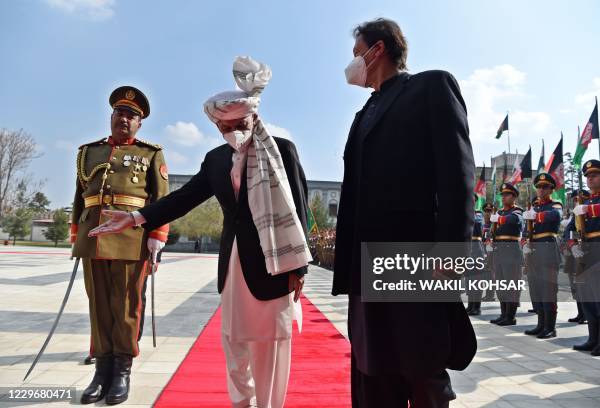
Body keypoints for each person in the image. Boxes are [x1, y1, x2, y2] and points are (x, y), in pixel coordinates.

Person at [89, 56, 311, 407]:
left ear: (253, 117)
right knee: (234, 344)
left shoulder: (282, 150)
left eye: (239, 123)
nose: (232, 132)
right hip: (234, 264)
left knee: (269, 348)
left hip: (273, 263)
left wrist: (299, 267)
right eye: (225, 127)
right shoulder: (217, 159)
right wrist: (135, 218)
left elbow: (299, 209)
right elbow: (184, 198)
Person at [333, 18, 476, 408]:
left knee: (421, 367)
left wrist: (451, 250)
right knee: (372, 368)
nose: (352, 64)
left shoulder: (429, 86)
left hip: (414, 258)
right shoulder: (365, 112)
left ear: (377, 50)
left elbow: (457, 173)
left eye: (355, 53)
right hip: (366, 264)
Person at [71, 86, 170, 405]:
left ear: (140, 123)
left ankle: (122, 370)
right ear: (111, 116)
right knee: (98, 305)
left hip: (131, 239)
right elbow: (79, 196)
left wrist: (157, 236)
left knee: (126, 305)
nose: (124, 119)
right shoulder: (89, 152)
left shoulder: (150, 153)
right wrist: (76, 233)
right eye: (119, 113)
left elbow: (161, 200)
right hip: (93, 236)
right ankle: (101, 371)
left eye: (131, 115)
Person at [567, 159, 600, 356]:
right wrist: (572, 245)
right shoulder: (582, 204)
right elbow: (571, 231)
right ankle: (592, 339)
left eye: (594, 175)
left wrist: (590, 210)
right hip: (585, 254)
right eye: (587, 176)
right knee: (588, 298)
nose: (589, 179)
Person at [522, 173, 562, 338]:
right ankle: (540, 324)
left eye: (545, 187)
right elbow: (525, 231)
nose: (541, 189)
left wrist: (536, 216)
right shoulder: (534, 207)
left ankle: (550, 327)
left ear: (551, 189)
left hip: (547, 251)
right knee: (536, 289)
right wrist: (524, 243)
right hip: (533, 253)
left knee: (548, 290)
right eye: (538, 186)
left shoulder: (555, 205)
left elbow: (556, 216)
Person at [488, 183, 524, 326]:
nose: (504, 198)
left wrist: (499, 219)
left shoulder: (517, 211)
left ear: (514, 197)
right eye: (502, 195)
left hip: (511, 251)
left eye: (507, 195)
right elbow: (492, 230)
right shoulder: (500, 212)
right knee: (500, 284)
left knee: (511, 284)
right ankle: (503, 314)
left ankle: (510, 316)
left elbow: (515, 220)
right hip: (499, 251)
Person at [563, 190, 590, 324]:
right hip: (577, 253)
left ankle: (588, 314)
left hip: (590, 253)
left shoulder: (589, 211)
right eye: (575, 200)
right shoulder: (576, 214)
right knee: (577, 285)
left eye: (579, 199)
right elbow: (568, 231)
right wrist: (572, 244)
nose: (577, 202)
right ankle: (581, 313)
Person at [466, 195, 485, 316]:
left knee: (476, 280)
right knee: (469, 280)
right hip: (467, 249)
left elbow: (477, 223)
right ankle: (470, 305)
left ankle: (477, 307)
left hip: (476, 249)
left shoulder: (478, 214)